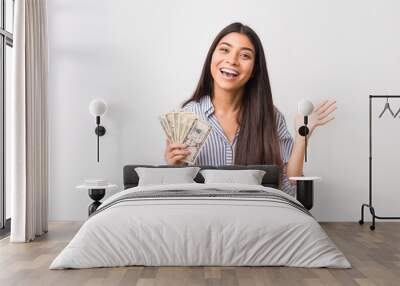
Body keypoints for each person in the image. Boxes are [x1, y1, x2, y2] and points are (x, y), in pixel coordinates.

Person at [164, 22, 336, 196]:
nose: (232, 60)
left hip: (256, 216)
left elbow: (288, 186)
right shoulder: (188, 115)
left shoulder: (271, 116)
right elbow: (179, 191)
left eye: (245, 55)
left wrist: (301, 139)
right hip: (204, 215)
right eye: (224, 50)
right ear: (211, 57)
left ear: (254, 69)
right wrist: (173, 167)